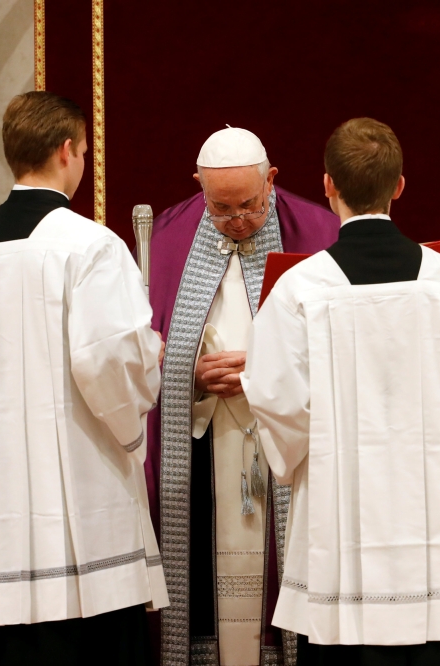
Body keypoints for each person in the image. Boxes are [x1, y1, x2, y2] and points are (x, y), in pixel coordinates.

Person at [242, 117, 440, 666]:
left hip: (339, 510)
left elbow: (274, 395)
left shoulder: (300, 289)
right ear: (400, 186)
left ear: (327, 186)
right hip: (430, 505)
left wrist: (302, 455)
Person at [0, 91, 168, 665]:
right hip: (76, 495)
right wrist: (144, 368)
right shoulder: (89, 245)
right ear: (67, 151)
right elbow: (106, 361)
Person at [144, 127, 339, 665]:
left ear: (271, 180)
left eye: (249, 206)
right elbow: (146, 347)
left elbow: (341, 345)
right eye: (220, 208)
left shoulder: (317, 230)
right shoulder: (168, 235)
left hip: (281, 442)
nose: (236, 222)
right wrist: (191, 376)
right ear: (198, 188)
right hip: (203, 441)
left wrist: (264, 371)